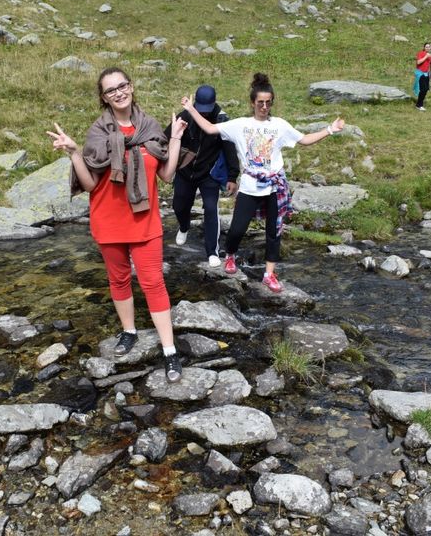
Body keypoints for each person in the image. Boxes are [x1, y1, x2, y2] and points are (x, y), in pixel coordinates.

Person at [47, 67, 188, 382]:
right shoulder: (97, 134)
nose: (119, 92)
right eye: (111, 90)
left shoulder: (151, 127)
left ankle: (169, 351)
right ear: (103, 97)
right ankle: (129, 331)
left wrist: (175, 139)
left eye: (122, 86)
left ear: (132, 87)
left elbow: (166, 175)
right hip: (109, 220)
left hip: (145, 220)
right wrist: (74, 153)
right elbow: (90, 185)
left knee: (153, 282)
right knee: (119, 279)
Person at [180, 73, 344, 293]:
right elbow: (210, 129)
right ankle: (230, 255)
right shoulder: (240, 125)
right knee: (237, 229)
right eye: (260, 102)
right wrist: (190, 109)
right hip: (249, 186)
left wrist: (330, 130)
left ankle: (269, 274)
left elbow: (304, 140)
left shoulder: (280, 126)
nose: (264, 106)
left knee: (273, 232)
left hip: (274, 186)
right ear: (252, 103)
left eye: (268, 102)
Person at [165, 85, 240, 268]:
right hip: (185, 170)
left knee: (210, 208)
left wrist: (232, 176)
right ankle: (184, 227)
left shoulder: (222, 120)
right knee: (179, 205)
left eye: (207, 110)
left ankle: (212, 252)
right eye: (201, 110)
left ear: (214, 103)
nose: (204, 114)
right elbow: (166, 137)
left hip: (209, 173)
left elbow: (230, 149)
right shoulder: (186, 114)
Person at [414, 42, 431, 111]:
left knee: (426, 89)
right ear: (424, 48)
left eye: (429, 47)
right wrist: (426, 56)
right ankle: (419, 105)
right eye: (426, 47)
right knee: (422, 89)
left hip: (426, 74)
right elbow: (418, 62)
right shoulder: (421, 53)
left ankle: (420, 103)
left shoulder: (430, 55)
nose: (428, 48)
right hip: (420, 73)